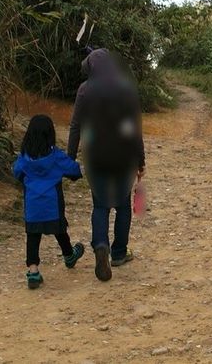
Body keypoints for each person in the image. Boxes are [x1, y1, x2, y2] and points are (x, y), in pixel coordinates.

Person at [67, 48, 145, 282]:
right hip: (123, 157)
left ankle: (101, 245)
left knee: (100, 207)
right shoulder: (126, 87)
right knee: (122, 206)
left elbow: (75, 126)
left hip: (96, 157)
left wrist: (69, 160)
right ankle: (119, 253)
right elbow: (134, 129)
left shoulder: (85, 90)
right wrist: (140, 161)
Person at [13, 114, 85, 289]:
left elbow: (17, 172)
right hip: (52, 203)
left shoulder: (24, 157)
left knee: (32, 237)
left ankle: (33, 271)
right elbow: (74, 171)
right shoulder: (55, 156)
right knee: (60, 230)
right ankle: (69, 256)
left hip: (32, 205)